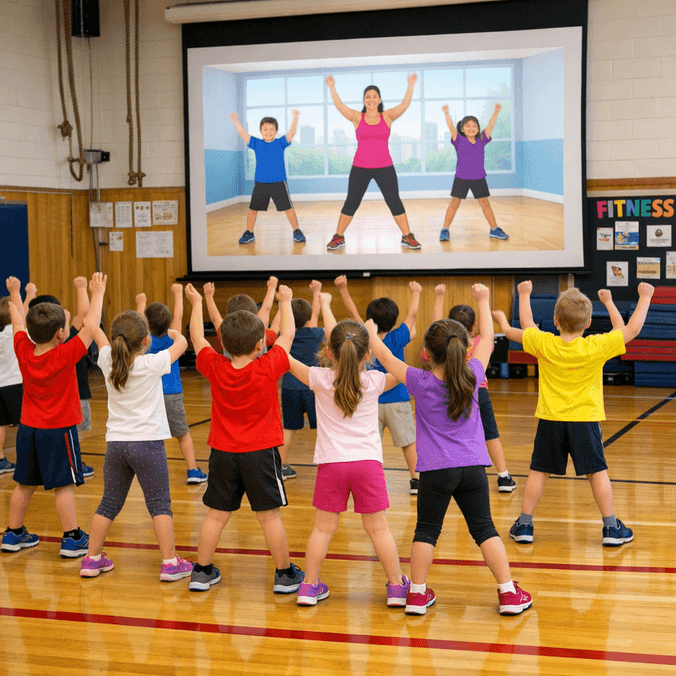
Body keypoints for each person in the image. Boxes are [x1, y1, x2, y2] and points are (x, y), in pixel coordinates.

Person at [367, 284, 532, 617]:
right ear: (465, 348)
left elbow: (384, 358)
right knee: (485, 530)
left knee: (426, 530)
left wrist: (371, 331)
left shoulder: (417, 379)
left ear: (426, 351)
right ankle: (508, 592)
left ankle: (415, 594)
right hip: (472, 468)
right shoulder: (473, 372)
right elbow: (487, 337)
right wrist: (483, 301)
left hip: (434, 471)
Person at [493, 281, 654, 547]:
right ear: (589, 321)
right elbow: (630, 329)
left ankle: (524, 524)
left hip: (551, 420)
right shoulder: (595, 346)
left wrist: (523, 295)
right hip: (585, 421)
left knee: (538, 471)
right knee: (597, 472)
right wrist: (644, 297)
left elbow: (525, 325)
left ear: (555, 321)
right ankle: (611, 527)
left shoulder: (545, 343)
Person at [184, 282, 304, 594]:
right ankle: (285, 575)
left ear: (223, 341)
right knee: (269, 517)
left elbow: (197, 338)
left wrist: (197, 303)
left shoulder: (214, 366)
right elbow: (288, 336)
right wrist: (286, 301)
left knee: (216, 515)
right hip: (260, 453)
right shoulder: (268, 366)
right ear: (259, 345)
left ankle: (202, 571)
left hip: (222, 453)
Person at [287, 320, 409, 607]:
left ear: (329, 352)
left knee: (322, 529)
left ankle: (308, 587)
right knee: (379, 529)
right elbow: (400, 370)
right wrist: (376, 344)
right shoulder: (375, 381)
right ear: (366, 355)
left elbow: (285, 359)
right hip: (367, 465)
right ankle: (395, 587)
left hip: (332, 465)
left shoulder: (318, 377)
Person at [80, 310, 193, 581]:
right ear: (146, 339)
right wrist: (174, 333)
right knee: (159, 505)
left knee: (108, 503)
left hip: (116, 445)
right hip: (148, 445)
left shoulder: (107, 359)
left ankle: (91, 559)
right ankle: (169, 563)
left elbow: (92, 325)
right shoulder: (152, 363)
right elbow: (183, 344)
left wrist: (95, 293)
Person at [1, 273, 106, 558]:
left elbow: (18, 320)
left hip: (27, 430)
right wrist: (97, 292)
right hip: (58, 430)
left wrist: (15, 292)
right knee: (64, 486)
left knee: (24, 484)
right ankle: (72, 538)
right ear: (61, 333)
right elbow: (91, 325)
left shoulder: (23, 349)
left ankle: (12, 533)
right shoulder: (64, 354)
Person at [335, 275, 421, 494]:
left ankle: (372, 481)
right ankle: (416, 481)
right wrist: (416, 293)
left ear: (369, 320)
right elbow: (412, 315)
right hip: (398, 399)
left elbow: (353, 313)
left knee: (371, 445)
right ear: (393, 321)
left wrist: (343, 289)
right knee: (409, 442)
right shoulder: (399, 336)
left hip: (369, 402)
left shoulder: (364, 336)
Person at [433, 284, 516, 492]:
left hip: (452, 391)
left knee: (455, 434)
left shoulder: (445, 345)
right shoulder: (480, 342)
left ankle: (453, 474)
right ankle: (504, 477)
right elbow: (489, 334)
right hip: (479, 392)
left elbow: (436, 326)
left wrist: (439, 297)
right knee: (491, 434)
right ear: (474, 325)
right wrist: (483, 301)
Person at [325, 74, 421, 251]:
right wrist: (332, 87)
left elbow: (404, 105)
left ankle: (407, 236)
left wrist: (410, 86)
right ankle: (338, 236)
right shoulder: (357, 117)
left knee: (394, 201)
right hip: (360, 167)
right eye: (368, 97)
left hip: (385, 166)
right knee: (351, 202)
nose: (371, 99)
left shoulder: (387, 116)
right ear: (364, 100)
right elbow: (339, 106)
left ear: (379, 99)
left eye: (374, 96)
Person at [136, 284, 207, 485]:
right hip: (172, 394)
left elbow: (139, 324)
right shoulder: (172, 340)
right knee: (183, 434)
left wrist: (141, 303)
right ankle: (193, 470)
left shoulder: (144, 342)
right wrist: (178, 294)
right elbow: (178, 317)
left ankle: (148, 472)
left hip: (150, 395)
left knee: (150, 436)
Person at [28, 280, 96, 478]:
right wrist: (82, 289)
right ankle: (74, 462)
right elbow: (84, 315)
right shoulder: (68, 344)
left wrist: (26, 294)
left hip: (42, 409)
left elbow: (20, 320)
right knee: (72, 435)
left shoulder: (32, 346)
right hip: (73, 400)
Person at [278, 281, 337, 480]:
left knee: (288, 428)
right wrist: (318, 295)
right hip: (313, 388)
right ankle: (329, 465)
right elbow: (328, 330)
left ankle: (281, 467)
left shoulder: (285, 336)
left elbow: (309, 318)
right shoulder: (315, 334)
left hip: (290, 388)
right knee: (324, 429)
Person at [229, 111, 305, 245]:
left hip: (278, 183)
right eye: (265, 129)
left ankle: (297, 231)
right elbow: (244, 135)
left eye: (271, 129)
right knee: (253, 209)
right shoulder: (256, 143)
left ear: (276, 131)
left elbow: (291, 133)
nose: (268, 132)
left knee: (288, 208)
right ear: (260, 131)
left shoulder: (280, 143)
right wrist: (235, 121)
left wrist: (295, 118)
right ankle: (249, 232)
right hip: (261, 184)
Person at [439, 104, 509, 243]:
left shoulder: (481, 139)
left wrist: (495, 112)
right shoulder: (458, 139)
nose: (471, 129)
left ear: (478, 128)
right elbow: (451, 127)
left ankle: (494, 229)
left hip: (479, 178)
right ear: (462, 128)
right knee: (454, 204)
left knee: (485, 204)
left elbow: (490, 126)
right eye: (468, 126)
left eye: (474, 126)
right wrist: (446, 113)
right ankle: (445, 230)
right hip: (461, 178)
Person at [0, 283, 36, 476]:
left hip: (0, 385)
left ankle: (0, 461)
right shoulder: (14, 332)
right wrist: (29, 294)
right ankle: (28, 459)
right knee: (25, 423)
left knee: (1, 424)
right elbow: (23, 314)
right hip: (14, 384)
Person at [204, 277, 279, 354]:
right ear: (256, 315)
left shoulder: (224, 332)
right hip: (259, 365)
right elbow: (266, 310)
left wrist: (208, 296)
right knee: (263, 323)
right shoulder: (262, 334)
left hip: (230, 366)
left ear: (228, 316)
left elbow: (215, 319)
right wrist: (274, 291)